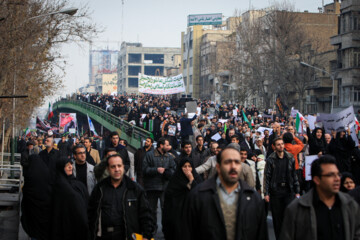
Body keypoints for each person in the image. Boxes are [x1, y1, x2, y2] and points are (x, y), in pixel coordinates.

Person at [183, 146, 268, 240]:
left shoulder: (253, 198)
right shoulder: (198, 196)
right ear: (218, 167)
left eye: (237, 162)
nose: (233, 167)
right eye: (228, 162)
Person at [280, 155, 360, 240]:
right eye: (330, 175)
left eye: (338, 174)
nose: (337, 179)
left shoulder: (350, 205)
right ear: (317, 179)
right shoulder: (297, 209)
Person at [88, 154, 155, 240]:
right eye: (113, 167)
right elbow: (91, 214)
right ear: (108, 169)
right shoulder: (99, 189)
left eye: (119, 166)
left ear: (123, 167)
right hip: (104, 236)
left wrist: (146, 235)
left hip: (127, 235)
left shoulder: (135, 189)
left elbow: (146, 214)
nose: (117, 169)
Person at [263, 137, 300, 239]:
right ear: (274, 147)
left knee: (288, 216)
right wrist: (266, 193)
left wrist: (297, 191)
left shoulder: (290, 157)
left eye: (282, 144)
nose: (281, 146)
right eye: (278, 144)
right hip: (275, 191)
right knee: (277, 218)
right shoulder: (271, 159)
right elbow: (267, 176)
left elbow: (294, 175)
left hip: (288, 190)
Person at [162, 157, 202, 240]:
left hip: (192, 220)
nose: (187, 169)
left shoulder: (197, 179)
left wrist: (191, 180)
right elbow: (169, 202)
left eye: (189, 166)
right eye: (184, 166)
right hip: (177, 219)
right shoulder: (175, 180)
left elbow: (199, 195)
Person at [142, 137, 176, 234]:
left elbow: (174, 169)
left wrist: (166, 172)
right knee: (151, 210)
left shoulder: (169, 157)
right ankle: (152, 230)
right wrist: (156, 170)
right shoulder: (149, 155)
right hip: (151, 187)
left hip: (165, 187)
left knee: (166, 210)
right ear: (161, 145)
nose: (168, 146)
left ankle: (166, 230)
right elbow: (144, 170)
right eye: (166, 145)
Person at [51, 157, 89, 240]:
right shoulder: (59, 185)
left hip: (78, 225)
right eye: (67, 165)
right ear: (61, 168)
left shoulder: (77, 183)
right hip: (64, 225)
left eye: (71, 165)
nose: (70, 167)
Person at [21, 155, 53, 240]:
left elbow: (25, 193)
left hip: (32, 214)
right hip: (45, 212)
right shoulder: (46, 172)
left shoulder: (29, 176)